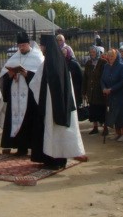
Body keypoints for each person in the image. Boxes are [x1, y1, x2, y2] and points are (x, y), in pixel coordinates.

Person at [28, 34, 86, 170]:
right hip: (61, 105)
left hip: (52, 106)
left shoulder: (50, 63)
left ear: (47, 46)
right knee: (60, 133)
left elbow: (38, 83)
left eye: (42, 46)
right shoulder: (59, 60)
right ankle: (59, 160)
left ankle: (54, 161)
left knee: (53, 132)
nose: (41, 48)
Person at [0, 31, 44, 156]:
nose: (21, 48)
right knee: (14, 120)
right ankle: (20, 147)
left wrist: (27, 74)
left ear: (28, 44)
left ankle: (32, 147)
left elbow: (40, 77)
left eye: (23, 45)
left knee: (29, 121)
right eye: (19, 46)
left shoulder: (37, 57)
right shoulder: (14, 57)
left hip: (29, 98)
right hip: (15, 97)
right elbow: (4, 76)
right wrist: (10, 74)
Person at [101, 49, 123, 142]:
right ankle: (117, 133)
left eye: (112, 56)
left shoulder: (122, 66)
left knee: (122, 114)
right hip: (111, 95)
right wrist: (104, 88)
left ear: (116, 56)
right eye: (109, 56)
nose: (110, 57)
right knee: (113, 113)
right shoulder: (106, 66)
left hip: (122, 94)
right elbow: (102, 79)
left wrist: (111, 89)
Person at [82, 45, 107, 135]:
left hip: (100, 91)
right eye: (91, 52)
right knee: (93, 109)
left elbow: (105, 77)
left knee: (102, 109)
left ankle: (105, 128)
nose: (92, 54)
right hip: (91, 91)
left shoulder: (103, 62)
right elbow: (85, 78)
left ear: (97, 53)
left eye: (94, 52)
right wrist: (84, 91)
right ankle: (95, 127)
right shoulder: (88, 63)